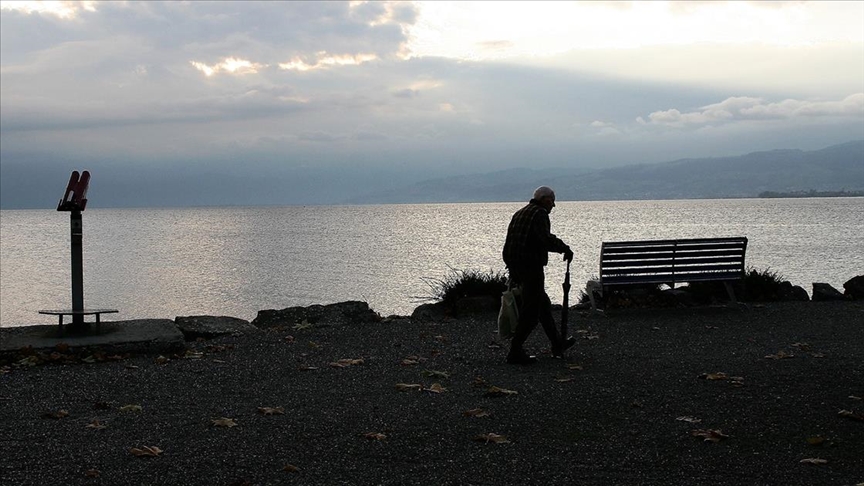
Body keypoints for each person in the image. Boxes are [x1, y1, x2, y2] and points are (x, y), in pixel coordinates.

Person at [502, 186, 576, 365]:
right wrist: (564, 248)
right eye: (552, 201)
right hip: (531, 267)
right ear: (545, 200)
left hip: (517, 266)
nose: (554, 206)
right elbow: (545, 239)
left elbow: (510, 242)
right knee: (531, 312)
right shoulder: (540, 214)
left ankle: (557, 343)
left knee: (543, 305)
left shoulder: (520, 212)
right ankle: (515, 350)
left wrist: (512, 268)